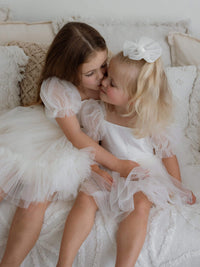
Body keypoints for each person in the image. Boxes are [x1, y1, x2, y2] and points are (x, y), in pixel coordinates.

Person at [0, 22, 137, 267]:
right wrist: (118, 165)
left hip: (78, 151)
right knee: (7, 173)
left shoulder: (109, 85)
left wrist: (93, 167)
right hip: (45, 137)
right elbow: (75, 137)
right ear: (70, 71)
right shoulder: (57, 89)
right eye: (90, 73)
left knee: (36, 198)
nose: (101, 77)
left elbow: (99, 133)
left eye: (103, 66)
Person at [56, 37, 196, 267]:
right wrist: (93, 170)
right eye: (107, 75)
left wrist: (177, 188)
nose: (103, 82)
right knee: (85, 196)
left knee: (140, 203)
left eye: (112, 84)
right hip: (109, 167)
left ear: (135, 98)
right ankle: (65, 262)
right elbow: (89, 146)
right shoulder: (96, 112)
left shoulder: (150, 120)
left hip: (144, 173)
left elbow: (167, 155)